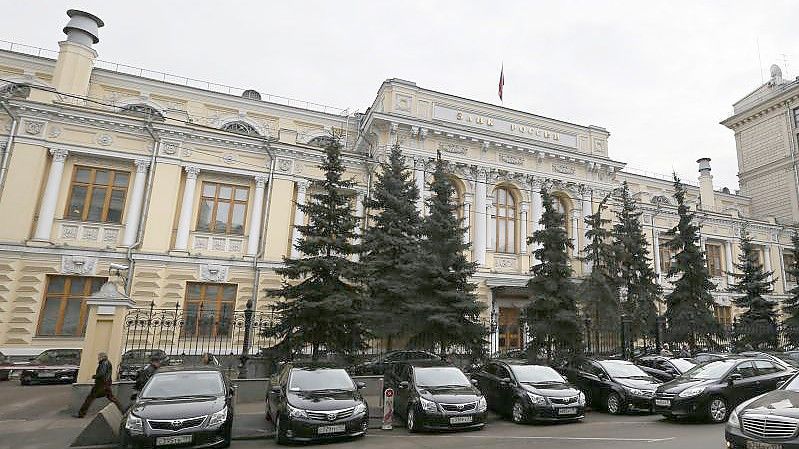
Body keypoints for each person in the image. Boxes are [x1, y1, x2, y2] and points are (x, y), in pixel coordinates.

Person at [77, 352, 121, 417]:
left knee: (90, 398)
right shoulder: (107, 362)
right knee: (112, 398)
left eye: (99, 357)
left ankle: (81, 414)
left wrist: (94, 376)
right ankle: (122, 410)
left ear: (102, 357)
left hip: (101, 384)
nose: (98, 358)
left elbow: (102, 374)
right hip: (106, 383)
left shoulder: (104, 363)